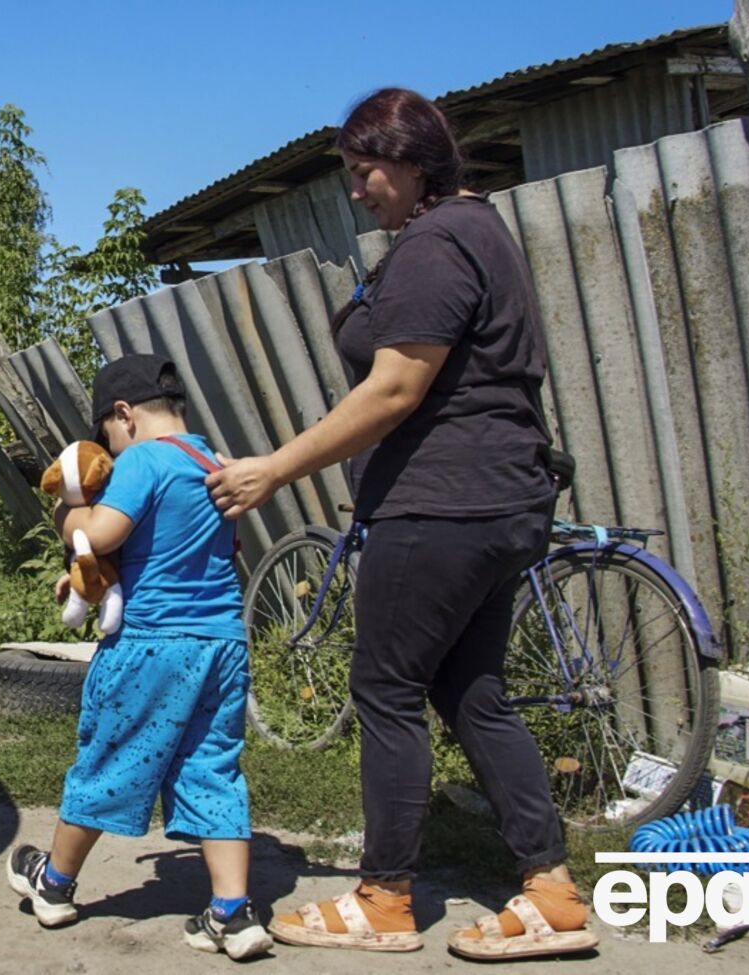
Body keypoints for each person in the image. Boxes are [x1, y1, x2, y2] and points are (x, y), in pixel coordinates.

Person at [204, 88, 599, 960]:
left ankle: (384, 896)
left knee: (385, 691)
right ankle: (551, 892)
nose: (356, 187)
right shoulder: (474, 231)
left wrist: (276, 467)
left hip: (443, 504)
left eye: (365, 168)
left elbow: (393, 388)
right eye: (350, 171)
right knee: (471, 693)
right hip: (498, 503)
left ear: (414, 156)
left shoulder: (436, 243)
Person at [6, 353, 273, 962]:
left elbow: (98, 536)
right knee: (214, 768)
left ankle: (54, 883)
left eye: (107, 436)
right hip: (222, 644)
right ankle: (232, 914)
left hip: (152, 644)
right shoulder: (215, 462)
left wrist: (64, 511)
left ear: (123, 415)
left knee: (109, 759)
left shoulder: (144, 460)